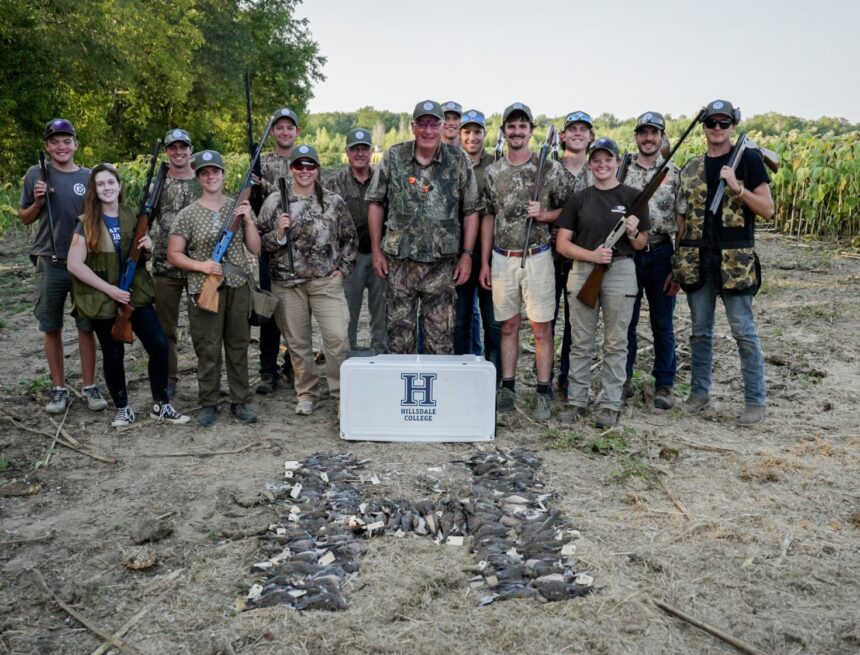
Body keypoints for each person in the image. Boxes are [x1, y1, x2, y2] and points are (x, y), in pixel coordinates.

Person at [674, 100, 773, 426]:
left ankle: (755, 401)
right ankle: (699, 394)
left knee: (743, 331)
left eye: (724, 123)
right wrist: (677, 263)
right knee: (700, 333)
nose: (717, 128)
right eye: (711, 123)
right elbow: (682, 223)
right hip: (697, 259)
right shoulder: (690, 167)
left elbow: (767, 209)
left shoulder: (748, 160)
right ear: (703, 126)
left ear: (733, 126)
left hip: (735, 261)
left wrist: (737, 187)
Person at [67, 164, 190, 427]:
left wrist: (148, 246)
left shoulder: (133, 215)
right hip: (103, 298)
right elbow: (75, 264)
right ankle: (122, 407)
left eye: (111, 182)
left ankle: (162, 404)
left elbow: (142, 255)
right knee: (113, 354)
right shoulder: (86, 222)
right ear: (94, 189)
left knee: (158, 345)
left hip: (136, 294)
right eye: (100, 184)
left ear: (119, 186)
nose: (107, 188)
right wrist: (110, 289)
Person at [366, 100, 480, 354]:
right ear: (413, 127)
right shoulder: (394, 157)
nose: (428, 131)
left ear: (443, 127)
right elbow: (375, 202)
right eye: (423, 124)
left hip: (442, 268)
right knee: (398, 340)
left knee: (440, 343)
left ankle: (434, 393)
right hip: (400, 266)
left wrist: (467, 255)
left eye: (434, 124)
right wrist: (376, 251)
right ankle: (401, 392)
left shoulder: (458, 159)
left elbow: (471, 210)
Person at [479, 102, 570, 421]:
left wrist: (543, 215)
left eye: (523, 126)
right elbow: (489, 216)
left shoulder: (550, 168)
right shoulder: (493, 172)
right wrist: (485, 262)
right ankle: (508, 387)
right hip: (503, 258)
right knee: (508, 326)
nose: (517, 131)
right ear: (504, 131)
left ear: (531, 131)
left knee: (541, 328)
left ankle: (543, 391)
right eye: (511, 126)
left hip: (538, 256)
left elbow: (569, 210)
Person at [556, 137, 651, 428]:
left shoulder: (634, 197)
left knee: (616, 342)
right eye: (596, 160)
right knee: (581, 342)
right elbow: (562, 244)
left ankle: (610, 404)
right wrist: (592, 256)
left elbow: (641, 244)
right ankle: (576, 401)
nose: (602, 165)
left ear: (617, 162)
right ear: (590, 163)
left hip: (621, 271)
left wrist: (633, 232)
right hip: (584, 271)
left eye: (608, 160)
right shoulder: (579, 199)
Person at [257, 145, 357, 415]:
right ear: (291, 169)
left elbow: (350, 239)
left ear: (317, 169)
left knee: (337, 339)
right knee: (298, 344)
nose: (304, 170)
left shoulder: (333, 201)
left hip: (325, 283)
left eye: (309, 166)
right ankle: (306, 393)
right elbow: (258, 243)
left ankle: (340, 394)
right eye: (299, 166)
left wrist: (343, 268)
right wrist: (278, 233)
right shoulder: (275, 202)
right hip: (288, 285)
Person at [18, 118, 108, 415]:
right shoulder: (36, 175)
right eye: (55, 141)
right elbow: (25, 217)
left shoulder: (89, 176)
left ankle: (89, 385)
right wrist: (39, 201)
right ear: (47, 146)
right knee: (51, 326)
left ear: (75, 144)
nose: (61, 146)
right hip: (50, 261)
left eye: (66, 140)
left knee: (86, 326)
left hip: (83, 263)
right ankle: (58, 388)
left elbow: (100, 217)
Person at [167, 150, 261, 427]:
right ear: (198, 178)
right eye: (205, 173)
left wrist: (248, 220)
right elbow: (174, 254)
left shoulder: (238, 207)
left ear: (223, 175)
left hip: (237, 286)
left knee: (238, 345)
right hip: (203, 287)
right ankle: (208, 402)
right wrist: (202, 266)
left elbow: (255, 248)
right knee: (208, 348)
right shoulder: (187, 214)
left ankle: (240, 400)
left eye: (215, 172)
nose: (211, 177)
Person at [621, 112, 683, 409]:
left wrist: (679, 265)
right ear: (637, 136)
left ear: (662, 137)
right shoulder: (622, 170)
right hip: (628, 254)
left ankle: (665, 384)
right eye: (643, 133)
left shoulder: (675, 172)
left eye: (654, 133)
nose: (648, 138)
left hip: (661, 253)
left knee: (662, 323)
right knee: (625, 323)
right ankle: (623, 381)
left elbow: (683, 222)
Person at [151, 128, 201, 400]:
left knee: (203, 329)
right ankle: (168, 379)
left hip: (198, 267)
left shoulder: (203, 179)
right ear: (167, 151)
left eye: (183, 147)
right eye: (173, 148)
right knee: (165, 329)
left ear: (190, 149)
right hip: (164, 268)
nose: (179, 152)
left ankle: (207, 380)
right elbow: (146, 222)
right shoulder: (156, 184)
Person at [328, 128, 387, 354]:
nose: (360, 153)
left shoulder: (383, 179)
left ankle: (381, 353)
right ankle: (348, 357)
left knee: (380, 310)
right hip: (349, 259)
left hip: (379, 255)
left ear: (371, 152)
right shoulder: (335, 184)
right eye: (355, 149)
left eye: (364, 149)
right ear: (347, 152)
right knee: (348, 312)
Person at [256, 107, 300, 394]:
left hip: (301, 248)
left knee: (298, 311)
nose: (285, 132)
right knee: (269, 310)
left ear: (297, 132)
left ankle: (292, 367)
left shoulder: (303, 160)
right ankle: (267, 371)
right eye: (279, 127)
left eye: (289, 127)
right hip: (270, 245)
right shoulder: (260, 162)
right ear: (272, 132)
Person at [553, 110, 595, 400]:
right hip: (552, 255)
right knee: (544, 321)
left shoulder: (601, 171)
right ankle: (543, 378)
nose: (578, 133)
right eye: (572, 129)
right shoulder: (550, 169)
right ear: (563, 136)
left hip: (584, 258)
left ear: (591, 136)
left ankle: (569, 380)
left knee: (576, 323)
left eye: (584, 129)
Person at [456, 109, 500, 377]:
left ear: (485, 134)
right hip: (458, 254)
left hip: (490, 254)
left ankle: (493, 376)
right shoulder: (450, 163)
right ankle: (461, 372)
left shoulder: (496, 165)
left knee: (492, 321)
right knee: (460, 320)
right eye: (467, 132)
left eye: (477, 132)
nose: (472, 137)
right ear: (460, 135)